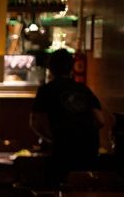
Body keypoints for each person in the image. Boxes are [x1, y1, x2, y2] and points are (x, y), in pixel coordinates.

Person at [30, 49, 105, 183]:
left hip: (62, 151)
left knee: (59, 189)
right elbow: (100, 120)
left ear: (50, 68)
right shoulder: (84, 89)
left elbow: (35, 123)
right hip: (88, 150)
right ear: (71, 68)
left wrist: (53, 139)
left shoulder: (46, 91)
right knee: (85, 189)